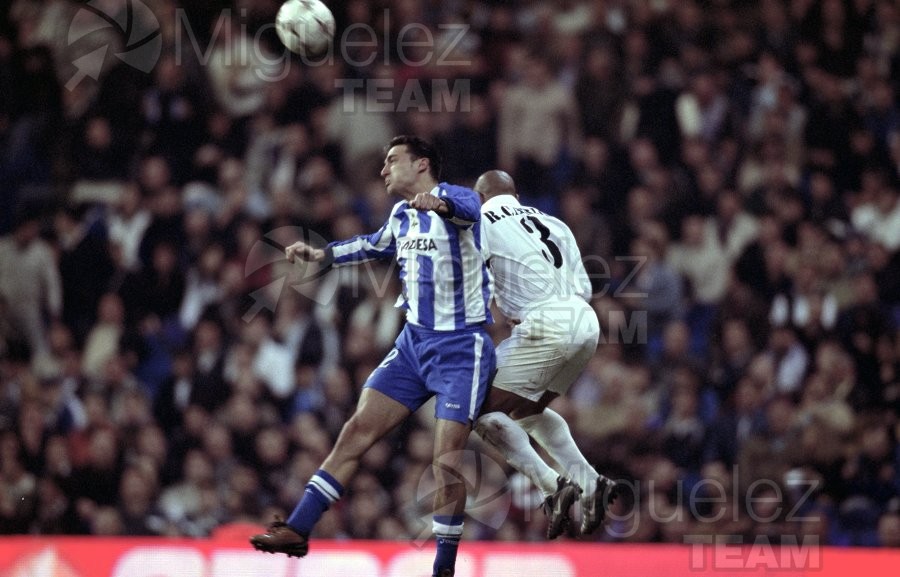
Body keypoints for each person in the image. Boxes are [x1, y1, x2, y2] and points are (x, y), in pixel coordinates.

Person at [249, 136, 495, 577]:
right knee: (356, 430)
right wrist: (320, 255)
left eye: (392, 161)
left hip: (462, 348)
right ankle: (299, 528)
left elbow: (472, 209)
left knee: (445, 460)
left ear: (422, 164)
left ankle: (444, 567)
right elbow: (370, 244)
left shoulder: (452, 198)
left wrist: (439, 207)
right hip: (414, 345)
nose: (383, 170)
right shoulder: (401, 216)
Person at [471, 170, 617, 538]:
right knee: (528, 411)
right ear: (514, 194)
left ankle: (553, 486)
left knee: (477, 410)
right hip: (585, 322)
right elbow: (583, 287)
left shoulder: (481, 222)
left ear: (480, 197)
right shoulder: (553, 221)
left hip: (545, 325)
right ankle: (591, 481)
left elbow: (477, 284)